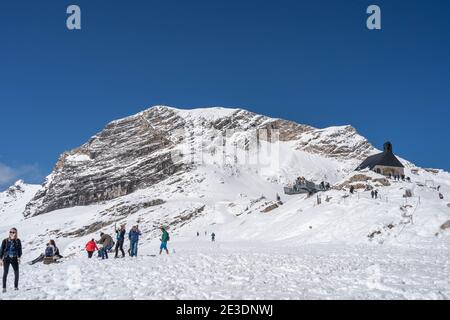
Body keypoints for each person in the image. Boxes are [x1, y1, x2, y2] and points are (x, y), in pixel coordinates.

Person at [0, 228, 22, 293]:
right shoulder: (5, 240)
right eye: (10, 232)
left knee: (16, 273)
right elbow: (1, 250)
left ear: (16, 233)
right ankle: (4, 288)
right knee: (5, 273)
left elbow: (19, 250)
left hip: (14, 258)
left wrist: (19, 257)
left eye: (13, 232)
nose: (12, 233)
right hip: (6, 258)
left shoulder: (18, 241)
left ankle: (16, 287)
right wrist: (0, 259)